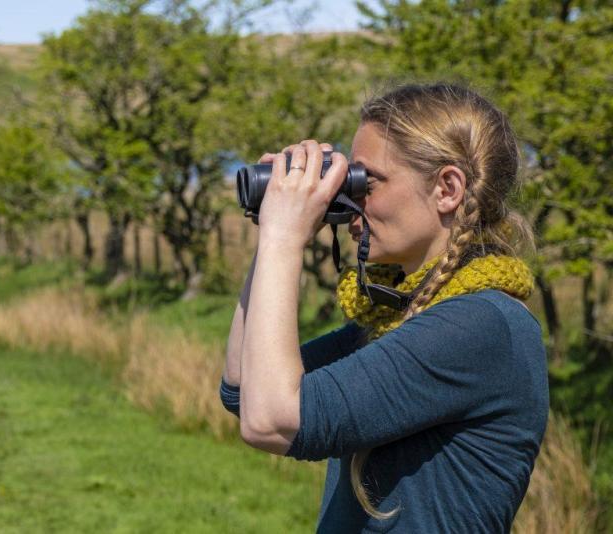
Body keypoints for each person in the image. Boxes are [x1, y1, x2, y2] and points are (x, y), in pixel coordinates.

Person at [219, 83, 548, 533]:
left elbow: (272, 421)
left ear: (447, 188)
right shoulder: (401, 318)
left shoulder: (482, 326)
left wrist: (285, 238)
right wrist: (270, 227)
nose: (352, 201)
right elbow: (244, 390)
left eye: (365, 182)